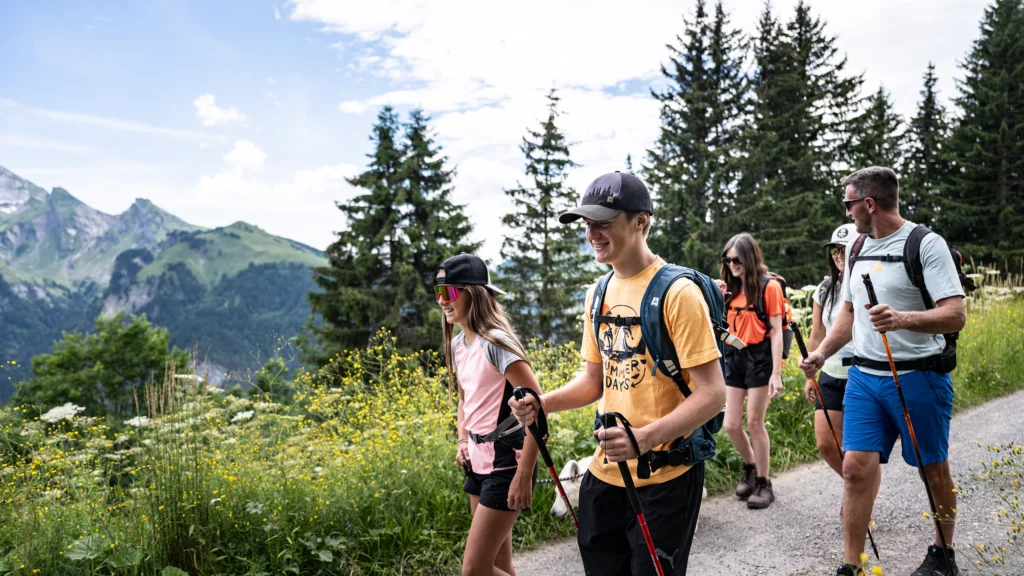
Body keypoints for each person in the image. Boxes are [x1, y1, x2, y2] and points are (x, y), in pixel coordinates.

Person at [508, 171, 726, 575]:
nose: (592, 233)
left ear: (641, 220)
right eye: (587, 224)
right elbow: (593, 382)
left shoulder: (679, 294)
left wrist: (643, 439)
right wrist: (543, 403)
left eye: (603, 222)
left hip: (667, 478)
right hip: (604, 474)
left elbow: (713, 394)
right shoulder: (598, 293)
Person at [799, 167, 966, 576]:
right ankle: (850, 564)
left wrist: (902, 319)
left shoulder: (925, 244)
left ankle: (944, 555)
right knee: (855, 467)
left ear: (868, 204)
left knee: (932, 469)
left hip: (918, 376)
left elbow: (955, 315)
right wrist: (821, 353)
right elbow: (849, 314)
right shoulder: (856, 248)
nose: (847, 211)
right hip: (864, 377)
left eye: (849, 203)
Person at [436, 253, 541, 576]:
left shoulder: (497, 343)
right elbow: (465, 399)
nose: (442, 300)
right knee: (499, 565)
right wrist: (462, 440)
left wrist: (524, 474)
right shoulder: (457, 344)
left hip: (507, 464)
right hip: (478, 463)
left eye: (450, 292)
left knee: (475, 570)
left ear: (474, 293)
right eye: (437, 292)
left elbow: (539, 408)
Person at [717, 233, 785, 509]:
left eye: (737, 259)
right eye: (728, 259)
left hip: (760, 357)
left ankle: (763, 482)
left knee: (755, 423)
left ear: (749, 258)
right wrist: (717, 295)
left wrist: (776, 373)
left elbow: (777, 332)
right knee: (731, 424)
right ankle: (750, 466)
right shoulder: (727, 289)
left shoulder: (768, 287)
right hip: (734, 356)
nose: (732, 264)